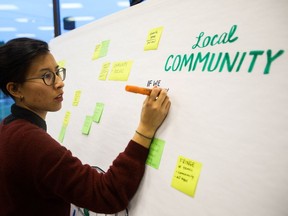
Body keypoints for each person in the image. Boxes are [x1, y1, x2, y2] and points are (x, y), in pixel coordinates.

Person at [0, 38, 171, 215]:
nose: (59, 82)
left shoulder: (8, 127)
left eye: (57, 72)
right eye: (46, 76)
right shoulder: (31, 142)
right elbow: (107, 194)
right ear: (15, 89)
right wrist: (146, 128)